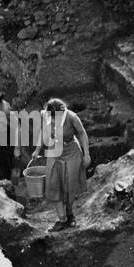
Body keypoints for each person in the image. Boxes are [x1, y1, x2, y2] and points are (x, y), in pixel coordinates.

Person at [39, 97, 89, 231]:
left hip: (71, 152)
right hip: (54, 152)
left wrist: (87, 154)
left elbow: (82, 134)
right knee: (53, 183)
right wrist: (37, 150)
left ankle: (70, 214)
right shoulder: (45, 115)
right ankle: (62, 219)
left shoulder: (72, 117)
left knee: (69, 186)